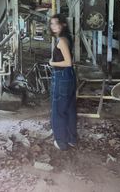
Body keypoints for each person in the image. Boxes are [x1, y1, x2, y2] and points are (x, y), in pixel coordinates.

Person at [49, 14, 77, 150]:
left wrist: (52, 62)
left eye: (56, 23)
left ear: (63, 24)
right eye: (52, 24)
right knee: (70, 109)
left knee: (58, 110)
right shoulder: (67, 38)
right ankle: (72, 139)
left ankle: (61, 142)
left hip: (62, 76)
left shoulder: (61, 41)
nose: (53, 26)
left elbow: (68, 62)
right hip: (69, 77)